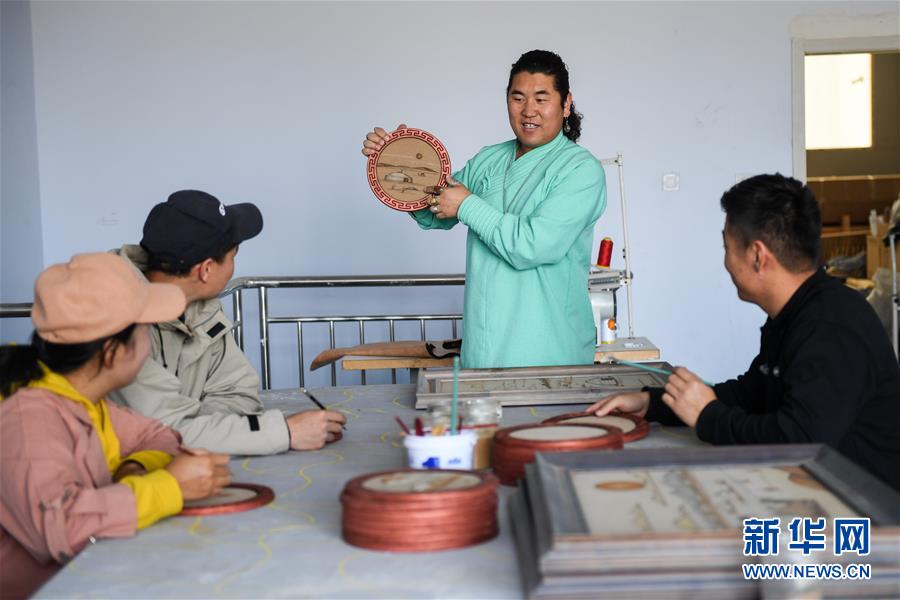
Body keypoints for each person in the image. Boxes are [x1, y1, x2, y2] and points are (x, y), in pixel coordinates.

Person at [587, 174, 900, 491]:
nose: (726, 261)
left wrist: (708, 416)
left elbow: (799, 443)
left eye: (728, 247)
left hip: (865, 510)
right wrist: (653, 403)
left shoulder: (831, 327)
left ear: (758, 256)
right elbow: (753, 395)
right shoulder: (796, 313)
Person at [0, 253, 231, 597]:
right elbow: (61, 526)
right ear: (113, 352)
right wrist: (170, 487)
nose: (149, 343)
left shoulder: (84, 399)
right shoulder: (27, 418)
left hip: (91, 576)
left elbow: (160, 436)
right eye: (145, 330)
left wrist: (134, 469)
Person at [362, 49, 607, 369]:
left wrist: (466, 205)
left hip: (552, 355)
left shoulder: (581, 170)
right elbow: (435, 209)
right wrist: (395, 163)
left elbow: (533, 245)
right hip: (483, 353)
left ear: (566, 102)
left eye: (541, 98)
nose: (528, 110)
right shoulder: (490, 160)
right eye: (518, 98)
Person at [110, 190, 346, 455]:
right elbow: (159, 433)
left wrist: (203, 430)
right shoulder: (112, 320)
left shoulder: (199, 306)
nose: (234, 265)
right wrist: (284, 432)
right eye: (233, 255)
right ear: (206, 269)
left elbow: (239, 394)